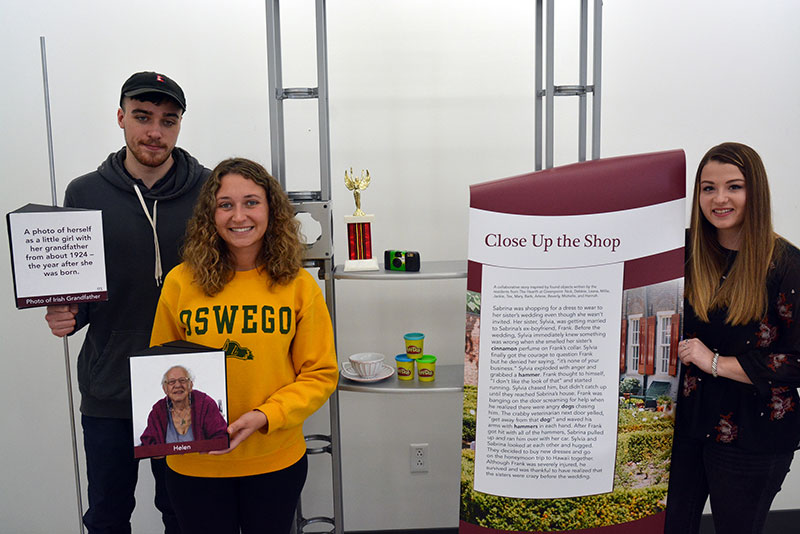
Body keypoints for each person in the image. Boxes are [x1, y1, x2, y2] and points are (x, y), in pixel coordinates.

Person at [43, 71, 210, 534]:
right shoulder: (84, 193)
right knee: (108, 514)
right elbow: (78, 291)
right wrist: (65, 314)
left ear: (179, 126)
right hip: (110, 383)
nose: (154, 131)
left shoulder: (210, 191)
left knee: (184, 512)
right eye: (142, 117)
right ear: (120, 117)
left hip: (187, 383)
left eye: (168, 120)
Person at [149, 157, 338, 533]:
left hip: (274, 461)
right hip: (194, 465)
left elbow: (319, 375)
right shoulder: (180, 282)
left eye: (251, 202)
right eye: (226, 204)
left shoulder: (298, 284)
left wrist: (265, 416)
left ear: (271, 209)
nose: (239, 216)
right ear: (210, 214)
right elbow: (161, 371)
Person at [665, 142, 800, 534]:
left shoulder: (787, 267)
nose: (719, 199)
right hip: (687, 426)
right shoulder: (685, 252)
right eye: (708, 188)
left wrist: (714, 362)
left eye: (734, 187)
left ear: (754, 192)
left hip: (754, 433)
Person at [140, 365, 228, 446]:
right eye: (171, 382)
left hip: (201, 460)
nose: (178, 385)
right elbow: (148, 442)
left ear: (190, 385)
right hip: (169, 462)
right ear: (165, 389)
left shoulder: (205, 404)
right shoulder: (158, 411)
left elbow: (220, 436)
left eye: (182, 380)